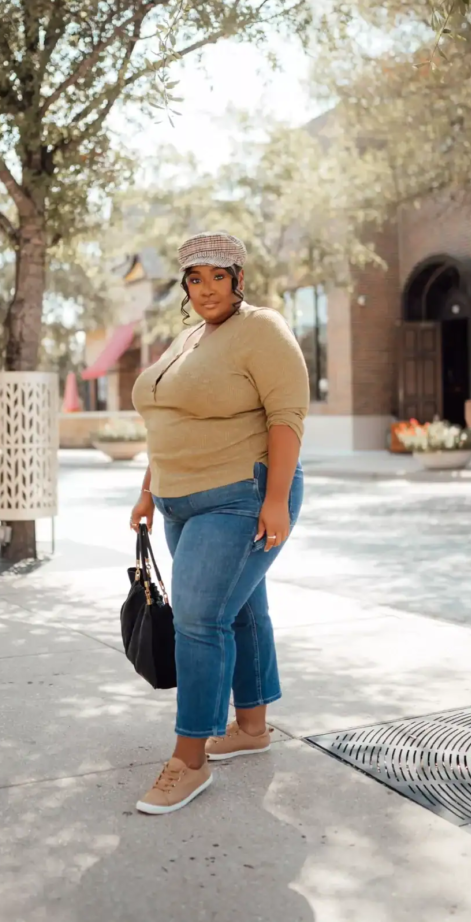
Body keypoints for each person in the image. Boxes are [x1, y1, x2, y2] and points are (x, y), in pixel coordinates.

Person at [130, 231, 309, 815]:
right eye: (194, 279)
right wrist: (147, 492)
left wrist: (276, 499)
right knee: (243, 608)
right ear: (185, 286)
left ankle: (190, 759)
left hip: (240, 495)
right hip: (180, 501)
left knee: (201, 621)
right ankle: (252, 728)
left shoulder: (262, 328)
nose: (206, 288)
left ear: (238, 278)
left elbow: (287, 416)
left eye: (217, 276)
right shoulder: (188, 340)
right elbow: (169, 419)